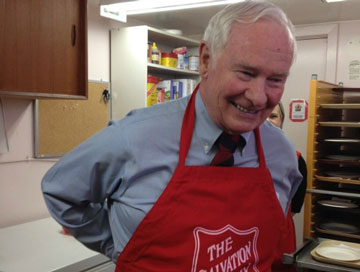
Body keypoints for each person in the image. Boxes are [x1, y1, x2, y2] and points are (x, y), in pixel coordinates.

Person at [41, 1, 303, 271]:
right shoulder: (133, 137)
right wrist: (118, 246)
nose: (259, 97)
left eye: (276, 79)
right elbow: (60, 191)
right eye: (246, 72)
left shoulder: (281, 154)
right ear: (206, 60)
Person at [268, 102, 308, 271]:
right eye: (262, 116)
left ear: (282, 120)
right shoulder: (238, 158)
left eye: (273, 116)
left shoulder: (296, 160)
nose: (267, 121)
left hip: (280, 236)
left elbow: (294, 207)